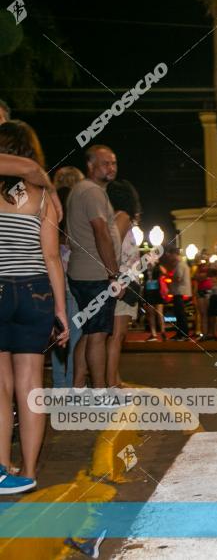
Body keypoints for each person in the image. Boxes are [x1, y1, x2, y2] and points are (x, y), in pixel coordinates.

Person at [0, 121, 69, 494]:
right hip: (37, 293)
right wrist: (61, 310)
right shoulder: (43, 196)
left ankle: (0, 467)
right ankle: (27, 471)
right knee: (31, 386)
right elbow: (52, 258)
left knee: (1, 387)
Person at [66, 145, 120, 388]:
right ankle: (99, 393)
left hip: (81, 272)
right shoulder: (92, 192)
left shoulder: (80, 190)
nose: (111, 168)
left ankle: (77, 387)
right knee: (98, 336)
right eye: (105, 163)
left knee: (89, 334)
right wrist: (113, 274)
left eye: (113, 163)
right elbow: (101, 232)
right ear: (90, 166)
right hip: (96, 275)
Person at [50, 167, 84, 388]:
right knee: (76, 334)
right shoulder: (78, 204)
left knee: (58, 333)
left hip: (54, 275)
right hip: (76, 273)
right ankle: (72, 383)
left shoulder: (50, 202)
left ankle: (59, 384)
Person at [105, 180, 142, 387]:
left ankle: (113, 378)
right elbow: (114, 246)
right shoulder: (123, 217)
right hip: (123, 282)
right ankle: (111, 383)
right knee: (117, 336)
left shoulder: (115, 216)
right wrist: (118, 277)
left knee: (115, 336)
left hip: (122, 280)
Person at [168, 246, 191, 341]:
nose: (169, 258)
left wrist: (168, 276)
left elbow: (178, 278)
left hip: (180, 293)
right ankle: (180, 333)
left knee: (180, 314)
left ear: (175, 254)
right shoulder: (181, 264)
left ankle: (184, 334)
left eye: (170, 255)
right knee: (179, 314)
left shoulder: (180, 265)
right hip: (179, 293)